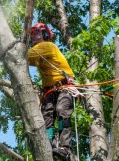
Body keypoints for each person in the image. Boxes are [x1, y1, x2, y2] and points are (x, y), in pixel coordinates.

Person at [28, 22, 74, 160]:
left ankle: (65, 148)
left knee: (62, 111)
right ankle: (50, 146)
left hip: (63, 87)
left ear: (45, 34)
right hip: (49, 91)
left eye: (37, 33)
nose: (34, 36)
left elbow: (24, 56)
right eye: (32, 34)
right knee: (46, 119)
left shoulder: (47, 46)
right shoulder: (38, 50)